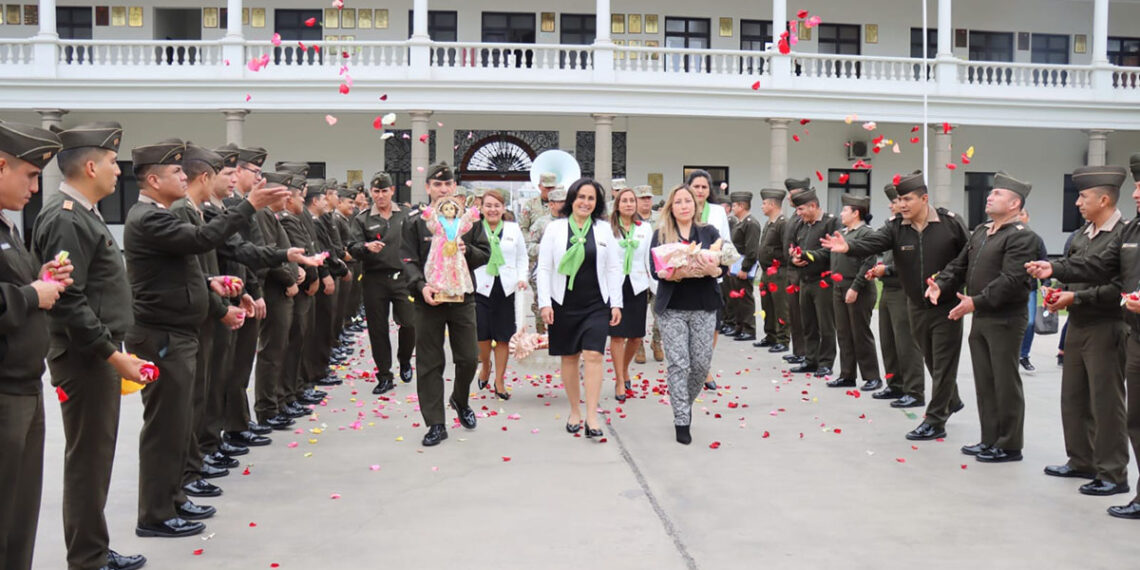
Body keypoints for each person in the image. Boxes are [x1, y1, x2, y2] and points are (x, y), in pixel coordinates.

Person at [124, 138, 284, 538]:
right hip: (162, 335)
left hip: (179, 331)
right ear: (154, 178)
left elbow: (186, 265)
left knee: (180, 423)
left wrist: (211, 284)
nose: (186, 175)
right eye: (177, 171)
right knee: (166, 427)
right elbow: (199, 241)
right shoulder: (149, 217)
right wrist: (249, 206)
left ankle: (173, 499)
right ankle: (156, 514)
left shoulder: (162, 215)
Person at [31, 122, 147, 570]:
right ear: (92, 165)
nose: (119, 172)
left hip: (95, 351)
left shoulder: (81, 213)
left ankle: (93, 549)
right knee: (88, 458)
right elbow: (69, 302)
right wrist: (112, 354)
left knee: (96, 456)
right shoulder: (65, 217)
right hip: (83, 357)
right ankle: (88, 556)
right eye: (114, 163)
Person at [820, 171, 970, 437]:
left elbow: (968, 258)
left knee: (944, 362)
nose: (900, 205)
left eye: (907, 199)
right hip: (916, 304)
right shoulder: (896, 227)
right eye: (898, 199)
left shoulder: (950, 223)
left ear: (924, 198)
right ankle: (952, 400)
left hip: (947, 305)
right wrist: (849, 248)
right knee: (933, 360)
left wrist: (958, 290)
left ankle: (935, 421)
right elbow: (874, 242)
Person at [1026, 165, 1132, 505]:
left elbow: (1119, 285)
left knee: (1106, 403)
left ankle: (1113, 473)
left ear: (1104, 199)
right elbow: (1075, 271)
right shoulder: (1082, 234)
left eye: (1083, 197)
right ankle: (1082, 460)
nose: (1078, 203)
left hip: (1107, 324)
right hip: (1079, 323)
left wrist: (1078, 297)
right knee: (1073, 398)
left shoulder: (1124, 235)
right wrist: (1058, 290)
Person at [927, 172, 1038, 463]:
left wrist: (976, 301)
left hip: (1005, 318)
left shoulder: (1022, 237)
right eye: (991, 193)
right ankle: (990, 439)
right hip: (981, 315)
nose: (990, 196)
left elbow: (1012, 280)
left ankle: (1010, 444)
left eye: (998, 194)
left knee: (1004, 381)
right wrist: (942, 282)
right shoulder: (981, 231)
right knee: (985, 381)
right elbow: (959, 264)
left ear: (1015, 203)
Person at [0, 121, 70, 570]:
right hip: (5, 391)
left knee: (21, 512)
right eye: (28, 174)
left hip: (24, 384)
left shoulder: (8, 227)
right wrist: (31, 294)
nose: (34, 186)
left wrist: (43, 279)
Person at [401, 162, 490, 447]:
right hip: (429, 301)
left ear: (454, 187)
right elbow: (407, 260)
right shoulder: (416, 220)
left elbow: (484, 254)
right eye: (437, 185)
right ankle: (436, 423)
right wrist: (420, 286)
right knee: (430, 362)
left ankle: (459, 399)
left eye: (447, 184)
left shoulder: (467, 220)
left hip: (462, 297)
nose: (443, 189)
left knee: (467, 358)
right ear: (427, 188)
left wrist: (467, 250)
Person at [537, 178, 622, 439]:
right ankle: (575, 410)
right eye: (581, 197)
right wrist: (544, 303)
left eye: (591, 198)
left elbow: (613, 267)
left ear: (597, 204)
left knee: (594, 355)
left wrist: (616, 302)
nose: (585, 202)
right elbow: (544, 267)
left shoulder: (604, 230)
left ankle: (592, 416)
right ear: (572, 200)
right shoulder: (555, 229)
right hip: (564, 303)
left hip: (596, 303)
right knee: (570, 358)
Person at [649, 185, 725, 445]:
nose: (684, 205)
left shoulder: (708, 232)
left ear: (696, 205)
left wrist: (713, 269)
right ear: (671, 206)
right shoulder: (661, 234)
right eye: (678, 201)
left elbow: (722, 267)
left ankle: (685, 402)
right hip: (672, 308)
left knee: (701, 364)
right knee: (679, 365)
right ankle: (682, 418)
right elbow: (653, 269)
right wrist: (670, 271)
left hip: (704, 306)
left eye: (688, 201)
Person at [347, 172, 414, 395]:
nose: (381, 195)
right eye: (376, 191)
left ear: (392, 191)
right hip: (374, 279)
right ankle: (384, 375)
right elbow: (351, 246)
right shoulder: (363, 218)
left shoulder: (406, 214)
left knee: (410, 322)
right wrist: (365, 248)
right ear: (371, 193)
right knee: (378, 329)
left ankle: (404, 359)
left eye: (384, 191)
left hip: (403, 277)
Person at [864, 185, 925, 405]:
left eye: (897, 200)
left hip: (903, 290)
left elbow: (917, 263)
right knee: (889, 341)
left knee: (906, 343)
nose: (892, 205)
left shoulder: (915, 228)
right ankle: (895, 384)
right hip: (888, 289)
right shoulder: (893, 227)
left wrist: (887, 270)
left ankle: (914, 391)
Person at [252, 173, 303, 430]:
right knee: (271, 351)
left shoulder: (271, 217)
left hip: (282, 291)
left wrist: (297, 270)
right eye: (284, 194)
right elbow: (270, 255)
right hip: (274, 291)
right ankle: (267, 408)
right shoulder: (262, 215)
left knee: (280, 348)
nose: (290, 198)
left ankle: (279, 400)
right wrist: (289, 279)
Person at [472, 189, 527, 400]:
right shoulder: (475, 229)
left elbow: (521, 257)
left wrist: (521, 277)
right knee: (482, 336)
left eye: (497, 206)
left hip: (506, 287)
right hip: (480, 287)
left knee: (503, 337)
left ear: (503, 208)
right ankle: (486, 365)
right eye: (488, 205)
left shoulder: (513, 229)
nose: (493, 209)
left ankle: (500, 380)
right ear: (481, 208)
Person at [826, 194, 882, 391]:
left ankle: (872, 376)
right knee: (843, 332)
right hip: (839, 287)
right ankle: (847, 374)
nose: (841, 213)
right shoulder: (844, 232)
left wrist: (855, 287)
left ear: (856, 213)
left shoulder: (866, 234)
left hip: (858, 288)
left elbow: (868, 262)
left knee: (860, 332)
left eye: (845, 210)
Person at [607, 186, 653, 402]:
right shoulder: (608, 229)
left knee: (636, 335)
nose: (628, 204)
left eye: (631, 201)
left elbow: (649, 259)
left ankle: (624, 368)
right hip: (615, 285)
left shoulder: (644, 228)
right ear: (617, 205)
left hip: (637, 284)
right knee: (617, 335)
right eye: (624, 200)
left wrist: (655, 287)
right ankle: (619, 379)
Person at [789, 188, 840, 378]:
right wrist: (794, 258)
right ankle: (811, 359)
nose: (798, 213)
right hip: (805, 280)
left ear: (813, 206)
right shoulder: (801, 225)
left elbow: (831, 251)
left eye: (801, 209)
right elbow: (793, 246)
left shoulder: (831, 222)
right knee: (808, 323)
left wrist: (808, 256)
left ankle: (826, 362)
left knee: (825, 324)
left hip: (823, 281)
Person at [686, 170, 729, 390]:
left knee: (713, 327)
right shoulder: (682, 207)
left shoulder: (718, 212)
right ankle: (690, 367)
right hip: (686, 278)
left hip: (712, 277)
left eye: (704, 187)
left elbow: (726, 240)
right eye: (696, 186)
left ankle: (705, 367)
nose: (700, 191)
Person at [521, 172, 558, 333]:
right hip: (536, 255)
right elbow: (523, 228)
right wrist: (531, 246)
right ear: (540, 186)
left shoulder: (561, 204)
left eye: (552, 187)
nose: (549, 191)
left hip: (558, 257)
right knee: (539, 291)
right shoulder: (530, 205)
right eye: (546, 187)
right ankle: (540, 326)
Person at [754, 188, 790, 352]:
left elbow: (786, 248)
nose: (762, 206)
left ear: (772, 204)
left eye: (764, 203)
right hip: (767, 271)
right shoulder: (769, 223)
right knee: (767, 305)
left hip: (779, 272)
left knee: (781, 306)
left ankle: (782, 339)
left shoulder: (783, 223)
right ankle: (771, 335)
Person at [779, 178, 811, 365]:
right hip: (790, 269)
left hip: (799, 270)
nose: (790, 197)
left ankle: (807, 352)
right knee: (794, 313)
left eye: (793, 193)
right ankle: (799, 350)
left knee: (803, 314)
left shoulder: (804, 218)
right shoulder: (795, 216)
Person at [635, 185, 664, 363]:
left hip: (657, 271)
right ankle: (638, 345)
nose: (646, 201)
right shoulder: (631, 220)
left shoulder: (660, 218)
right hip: (637, 272)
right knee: (638, 312)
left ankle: (656, 341)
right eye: (642, 198)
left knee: (660, 311)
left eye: (648, 198)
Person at [1018, 209, 1049, 372]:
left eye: (1022, 214)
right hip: (1009, 288)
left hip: (1029, 287)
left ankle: (1024, 355)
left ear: (1028, 218)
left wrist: (1046, 283)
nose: (1020, 218)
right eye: (1017, 215)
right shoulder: (1006, 238)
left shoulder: (1036, 240)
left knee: (1029, 322)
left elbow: (1044, 261)